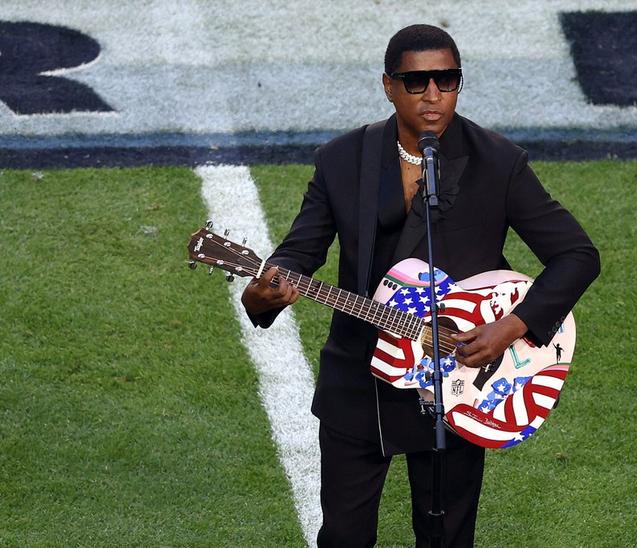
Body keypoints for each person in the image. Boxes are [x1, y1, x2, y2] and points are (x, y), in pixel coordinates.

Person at [241, 24, 600, 547]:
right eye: (417, 82)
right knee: (343, 538)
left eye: (446, 80)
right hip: (359, 377)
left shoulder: (498, 162)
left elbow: (577, 255)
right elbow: (299, 253)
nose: (433, 95)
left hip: (457, 376)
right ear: (388, 86)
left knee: (447, 539)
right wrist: (262, 292)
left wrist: (513, 326)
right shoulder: (342, 160)